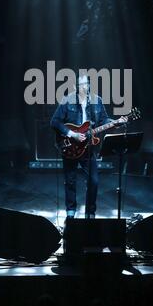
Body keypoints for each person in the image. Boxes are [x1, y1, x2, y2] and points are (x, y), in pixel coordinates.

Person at [50, 74, 127, 219]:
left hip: (88, 148)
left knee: (94, 181)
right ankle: (71, 213)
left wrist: (116, 122)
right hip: (70, 147)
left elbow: (104, 120)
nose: (84, 87)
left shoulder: (96, 101)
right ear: (75, 87)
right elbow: (54, 122)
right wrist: (73, 134)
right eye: (81, 84)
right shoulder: (68, 100)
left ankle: (90, 213)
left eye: (86, 84)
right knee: (70, 181)